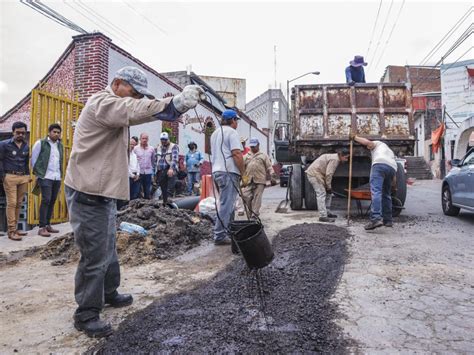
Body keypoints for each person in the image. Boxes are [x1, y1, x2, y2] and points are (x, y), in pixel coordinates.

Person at [64, 65, 204, 337]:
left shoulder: (113, 105)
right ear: (117, 83)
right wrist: (174, 104)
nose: (137, 98)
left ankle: (109, 292)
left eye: (141, 94)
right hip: (88, 191)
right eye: (134, 92)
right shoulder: (103, 103)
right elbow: (133, 110)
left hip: (102, 191)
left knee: (108, 245)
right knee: (94, 254)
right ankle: (86, 313)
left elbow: (133, 109)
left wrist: (173, 107)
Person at [210, 109, 246, 245]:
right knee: (226, 205)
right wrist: (243, 172)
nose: (237, 123)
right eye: (236, 120)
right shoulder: (232, 133)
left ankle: (229, 231)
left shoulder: (214, 134)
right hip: (228, 172)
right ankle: (219, 235)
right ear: (232, 120)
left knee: (228, 204)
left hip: (217, 172)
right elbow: (237, 153)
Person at [352, 134, 397, 230]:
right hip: (392, 169)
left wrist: (355, 138)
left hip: (379, 165)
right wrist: (393, 184)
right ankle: (388, 220)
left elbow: (368, 143)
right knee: (386, 194)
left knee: (376, 191)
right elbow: (394, 177)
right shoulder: (390, 152)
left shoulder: (378, 143)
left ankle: (375, 219)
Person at [0, 121, 31, 241]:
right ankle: (11, 230)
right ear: (13, 132)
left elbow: (26, 162)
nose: (20, 135)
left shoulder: (26, 146)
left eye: (23, 133)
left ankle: (16, 229)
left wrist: (28, 176)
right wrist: (3, 176)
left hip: (23, 177)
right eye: (18, 132)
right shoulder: (3, 144)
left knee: (19, 203)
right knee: (11, 203)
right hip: (10, 176)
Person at [31, 123, 63, 237]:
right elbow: (34, 159)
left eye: (58, 132)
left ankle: (48, 224)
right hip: (45, 176)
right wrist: (38, 174)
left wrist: (60, 175)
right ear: (49, 132)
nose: (56, 134)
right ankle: (42, 227)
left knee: (53, 200)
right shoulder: (41, 143)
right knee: (46, 200)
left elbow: (60, 161)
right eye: (54, 132)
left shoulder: (60, 145)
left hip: (56, 177)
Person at [305, 150, 350, 223]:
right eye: (346, 158)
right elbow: (329, 174)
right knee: (321, 194)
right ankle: (322, 216)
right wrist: (328, 187)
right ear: (341, 155)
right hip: (314, 174)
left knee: (329, 194)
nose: (346, 160)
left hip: (319, 174)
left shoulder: (335, 157)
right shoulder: (335, 160)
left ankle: (327, 212)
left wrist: (329, 188)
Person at [242, 138, 276, 217]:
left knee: (257, 198)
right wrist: (242, 180)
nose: (253, 148)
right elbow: (242, 168)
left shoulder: (263, 156)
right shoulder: (246, 156)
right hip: (248, 180)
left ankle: (255, 214)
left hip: (260, 180)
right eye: (251, 146)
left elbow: (269, 167)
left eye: (254, 146)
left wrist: (272, 175)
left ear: (258, 145)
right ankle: (250, 212)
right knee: (245, 195)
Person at [156, 132, 179, 204]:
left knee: (169, 188)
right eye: (162, 140)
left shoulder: (173, 146)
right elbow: (155, 159)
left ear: (168, 139)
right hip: (161, 170)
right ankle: (165, 203)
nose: (163, 141)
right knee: (163, 188)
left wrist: (171, 168)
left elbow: (175, 159)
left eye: (165, 140)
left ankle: (170, 203)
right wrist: (155, 171)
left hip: (169, 169)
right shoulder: (158, 147)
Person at [134, 133, 155, 199]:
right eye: (143, 138)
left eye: (146, 138)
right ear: (140, 139)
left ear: (148, 139)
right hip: (139, 172)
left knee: (147, 190)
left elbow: (153, 160)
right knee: (137, 190)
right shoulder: (135, 148)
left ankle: (146, 205)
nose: (144, 140)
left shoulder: (151, 149)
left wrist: (153, 172)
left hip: (148, 172)